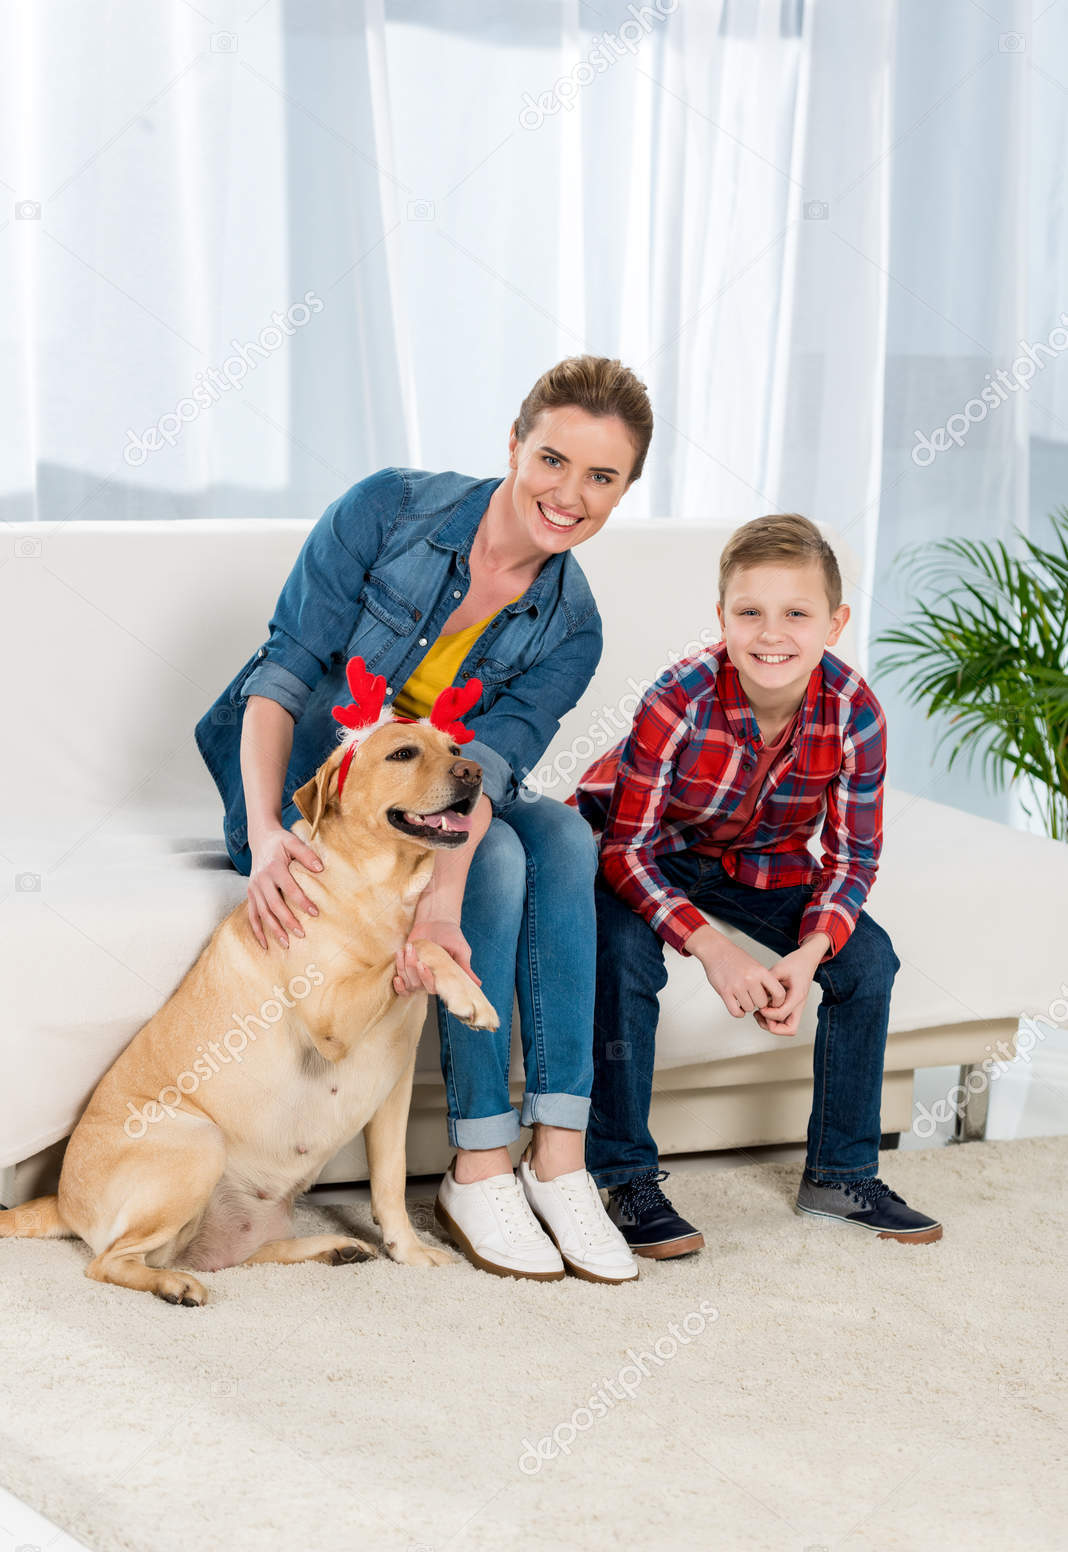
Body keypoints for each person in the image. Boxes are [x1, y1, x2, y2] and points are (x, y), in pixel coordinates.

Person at [195, 355, 650, 1284]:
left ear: (625, 489)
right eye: (553, 460)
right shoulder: (389, 511)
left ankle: (559, 1155)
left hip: (437, 796)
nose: (570, 495)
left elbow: (477, 774)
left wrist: (437, 913)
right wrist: (267, 834)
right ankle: (478, 1165)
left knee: (561, 833)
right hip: (314, 801)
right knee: (501, 864)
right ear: (514, 446)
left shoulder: (573, 626)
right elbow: (279, 680)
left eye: (602, 478)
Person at [571, 513, 943, 1257]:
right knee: (623, 955)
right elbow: (626, 852)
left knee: (867, 960)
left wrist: (806, 958)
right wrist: (714, 950)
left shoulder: (854, 713)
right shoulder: (678, 700)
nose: (772, 634)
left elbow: (849, 861)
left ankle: (841, 1173)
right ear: (722, 620)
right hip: (642, 851)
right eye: (751, 613)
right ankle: (621, 1176)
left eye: (796, 614)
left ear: (834, 624)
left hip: (760, 865)